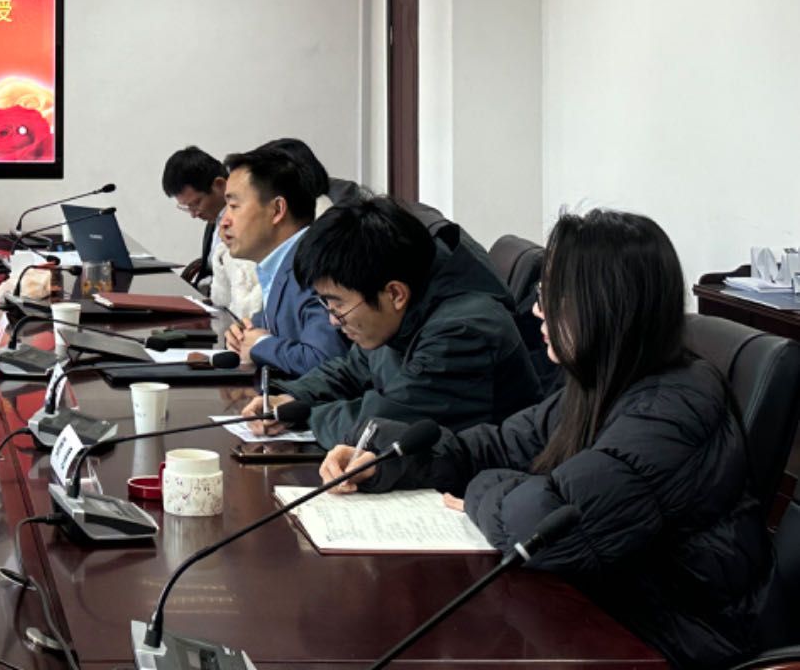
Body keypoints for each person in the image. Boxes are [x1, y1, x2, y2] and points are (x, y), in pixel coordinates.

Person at [318, 210, 773, 670]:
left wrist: (479, 489)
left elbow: (544, 526)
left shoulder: (674, 410)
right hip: (599, 606)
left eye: (552, 295)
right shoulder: (600, 383)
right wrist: (388, 458)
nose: (538, 309)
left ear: (602, 304)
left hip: (667, 640)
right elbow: (496, 446)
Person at [243, 195, 540, 448]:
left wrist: (305, 414)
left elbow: (384, 425)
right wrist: (293, 396)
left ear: (395, 294)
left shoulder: (463, 331)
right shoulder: (402, 303)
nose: (333, 321)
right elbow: (352, 369)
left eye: (338, 305)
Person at [217, 146, 347, 376]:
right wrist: (241, 335)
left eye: (234, 206)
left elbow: (325, 361)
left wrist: (259, 345)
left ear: (277, 210)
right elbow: (269, 330)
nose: (224, 221)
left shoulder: (315, 266)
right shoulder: (280, 263)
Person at [162, 146, 261, 318]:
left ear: (219, 185)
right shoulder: (213, 219)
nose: (193, 214)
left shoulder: (245, 224)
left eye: (196, 203)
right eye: (187, 207)